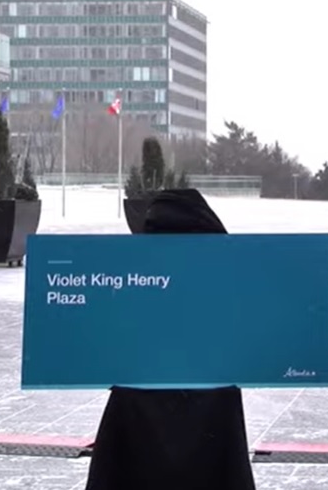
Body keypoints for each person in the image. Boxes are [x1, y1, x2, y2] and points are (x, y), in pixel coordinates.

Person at [85, 189, 256, 490]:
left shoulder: (129, 270)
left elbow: (105, 335)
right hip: (210, 394)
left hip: (138, 394)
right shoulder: (228, 268)